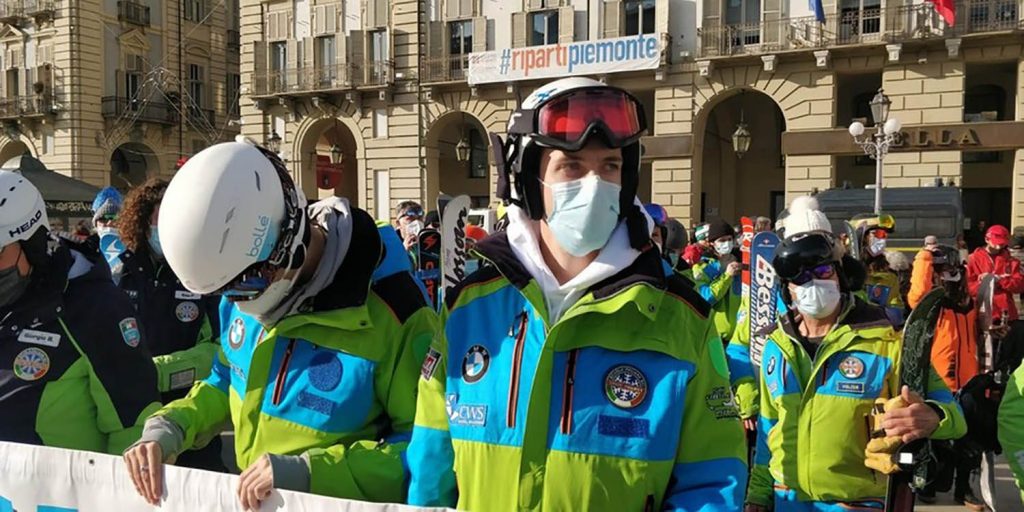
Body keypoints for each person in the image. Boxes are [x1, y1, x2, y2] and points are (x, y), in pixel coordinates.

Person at [406, 77, 747, 510]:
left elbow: (713, 480)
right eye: (571, 166)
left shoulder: (681, 317)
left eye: (609, 166)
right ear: (528, 179)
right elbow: (430, 469)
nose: (594, 184)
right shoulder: (469, 308)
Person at [122, 140, 438, 508]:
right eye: (225, 291)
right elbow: (227, 380)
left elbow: (423, 447)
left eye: (244, 285)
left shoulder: (396, 313)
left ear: (280, 245)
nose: (237, 301)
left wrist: (310, 473)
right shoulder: (243, 290)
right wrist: (172, 426)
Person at [746, 196, 966, 511]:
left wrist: (933, 417)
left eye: (822, 270)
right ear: (787, 287)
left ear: (840, 274)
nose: (813, 282)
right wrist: (758, 495)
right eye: (800, 276)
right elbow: (770, 430)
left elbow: (955, 416)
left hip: (857, 502)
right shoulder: (776, 346)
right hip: (788, 500)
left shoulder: (887, 340)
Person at [0, 170, 161, 454]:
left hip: (51, 494)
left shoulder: (94, 307)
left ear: (32, 244)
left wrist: (115, 496)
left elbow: (134, 426)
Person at [114, 178, 226, 471]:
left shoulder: (204, 274)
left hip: (192, 424)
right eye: (160, 217)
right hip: (131, 420)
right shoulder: (118, 273)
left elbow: (220, 351)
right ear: (143, 219)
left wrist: (158, 371)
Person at [907, 245, 984, 506]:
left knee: (969, 441)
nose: (946, 276)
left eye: (950, 271)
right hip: (941, 379)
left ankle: (964, 489)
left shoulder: (968, 302)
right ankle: (927, 485)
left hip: (969, 380)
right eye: (940, 272)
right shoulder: (933, 304)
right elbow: (917, 294)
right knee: (936, 440)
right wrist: (925, 257)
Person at [851, 214, 906, 328]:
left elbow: (897, 315)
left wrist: (873, 311)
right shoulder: (843, 271)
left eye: (884, 236)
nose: (882, 240)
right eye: (878, 234)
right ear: (861, 235)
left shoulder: (889, 276)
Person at [692, 219, 742, 342]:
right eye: (722, 240)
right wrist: (727, 276)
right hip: (715, 335)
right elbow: (706, 298)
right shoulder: (703, 267)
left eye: (729, 239)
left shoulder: (743, 264)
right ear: (712, 243)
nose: (726, 243)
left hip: (741, 336)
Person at [967, 224, 1024, 323]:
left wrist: (1001, 280)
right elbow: (968, 288)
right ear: (986, 239)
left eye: (1002, 244)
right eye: (996, 242)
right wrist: (987, 282)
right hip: (981, 313)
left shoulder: (1012, 261)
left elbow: (1019, 286)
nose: (998, 246)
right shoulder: (973, 259)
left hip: (1007, 314)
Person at [91, 186, 127, 283]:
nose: (110, 223)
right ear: (95, 224)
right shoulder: (86, 252)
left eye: (115, 219)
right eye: (103, 219)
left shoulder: (134, 251)